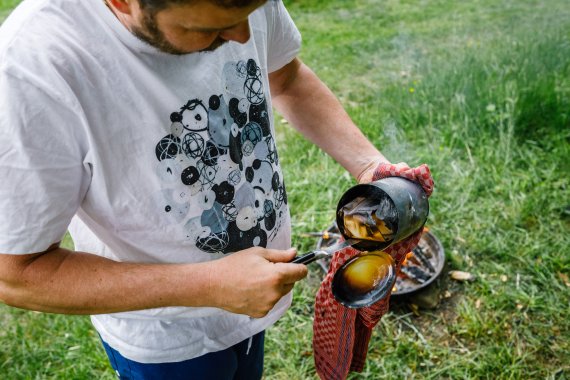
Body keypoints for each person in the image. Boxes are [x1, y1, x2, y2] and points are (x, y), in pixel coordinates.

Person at [0, 0, 393, 378]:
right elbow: (16, 274)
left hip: (250, 308)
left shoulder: (237, 10)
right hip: (168, 341)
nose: (243, 36)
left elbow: (285, 76)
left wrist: (367, 163)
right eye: (207, 28)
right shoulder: (33, 69)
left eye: (253, 11)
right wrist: (207, 285)